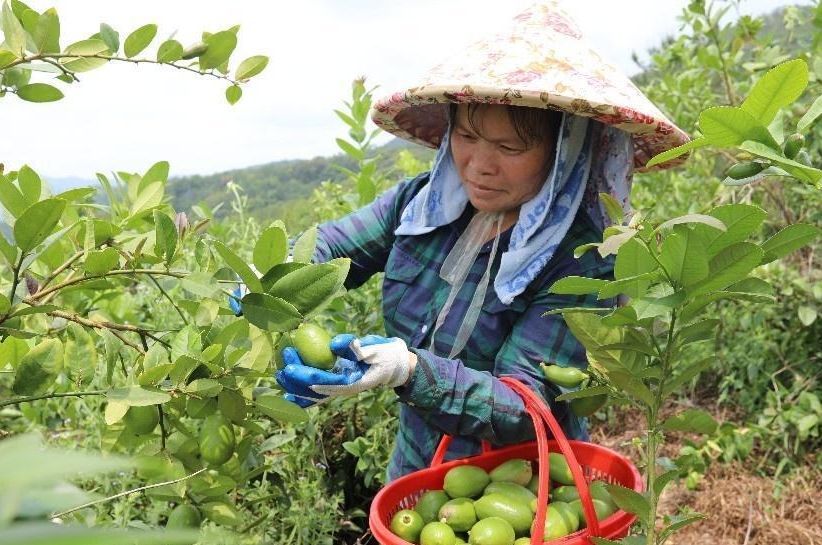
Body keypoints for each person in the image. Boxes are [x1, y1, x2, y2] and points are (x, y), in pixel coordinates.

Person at [274, 0, 689, 481]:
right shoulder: (420, 208)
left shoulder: (581, 260)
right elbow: (332, 247)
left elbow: (524, 406)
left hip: (519, 488)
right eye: (468, 136)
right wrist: (277, 277)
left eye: (510, 147)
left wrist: (408, 371)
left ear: (563, 154)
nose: (479, 165)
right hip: (416, 469)